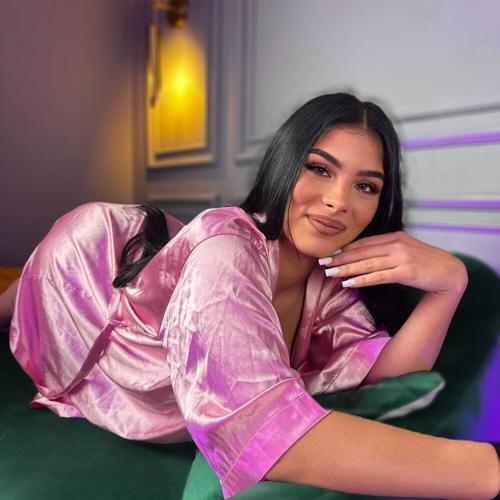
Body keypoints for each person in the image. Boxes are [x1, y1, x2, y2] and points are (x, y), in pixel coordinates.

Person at [1, 93, 499, 499]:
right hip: (90, 258)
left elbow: (385, 378)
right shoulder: (229, 249)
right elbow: (263, 436)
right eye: (320, 169)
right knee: (20, 300)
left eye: (365, 186)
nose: (338, 201)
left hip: (162, 274)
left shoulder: (330, 281)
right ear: (284, 164)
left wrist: (449, 285)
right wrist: (489, 468)